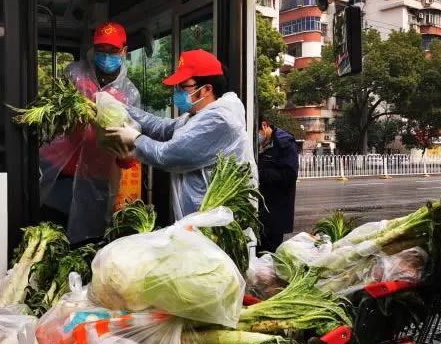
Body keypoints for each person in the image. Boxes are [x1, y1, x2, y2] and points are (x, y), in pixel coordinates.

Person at [105, 49, 255, 220]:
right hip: (196, 222)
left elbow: (168, 155)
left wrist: (135, 139)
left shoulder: (219, 120)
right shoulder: (195, 117)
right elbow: (161, 127)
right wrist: (121, 108)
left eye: (183, 87)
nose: (178, 93)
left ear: (206, 89)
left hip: (215, 226)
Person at [39, 22, 140, 243]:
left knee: (87, 239)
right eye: (101, 50)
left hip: (95, 177)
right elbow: (52, 114)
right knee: (50, 235)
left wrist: (125, 156)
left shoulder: (129, 93)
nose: (106, 56)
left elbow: (130, 141)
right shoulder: (74, 75)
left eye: (112, 51)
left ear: (124, 50)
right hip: (60, 169)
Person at [256, 114, 298, 253]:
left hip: (275, 211)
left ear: (264, 125)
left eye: (258, 133)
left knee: (268, 253)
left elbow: (289, 175)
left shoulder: (284, 143)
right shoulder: (261, 144)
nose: (257, 138)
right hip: (261, 210)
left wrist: (258, 174)